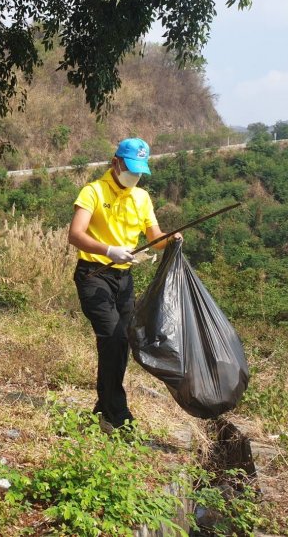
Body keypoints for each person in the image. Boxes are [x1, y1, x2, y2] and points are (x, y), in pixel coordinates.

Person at [68, 138, 181, 429]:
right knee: (114, 338)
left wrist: (171, 239)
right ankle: (116, 415)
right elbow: (75, 234)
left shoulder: (141, 197)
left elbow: (154, 237)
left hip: (123, 279)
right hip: (94, 275)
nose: (135, 176)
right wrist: (108, 249)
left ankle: (103, 407)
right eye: (131, 169)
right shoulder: (93, 191)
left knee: (120, 342)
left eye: (140, 171)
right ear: (116, 163)